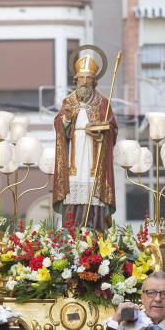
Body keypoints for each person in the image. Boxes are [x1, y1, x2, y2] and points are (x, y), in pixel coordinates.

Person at [52, 49, 118, 231]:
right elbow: (59, 127)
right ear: (76, 79)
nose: (85, 81)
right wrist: (65, 119)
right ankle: (72, 231)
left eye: (89, 78)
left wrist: (101, 134)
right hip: (74, 153)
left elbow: (112, 129)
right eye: (82, 78)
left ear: (94, 81)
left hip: (93, 154)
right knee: (73, 188)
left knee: (92, 189)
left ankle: (95, 230)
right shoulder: (68, 102)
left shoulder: (103, 103)